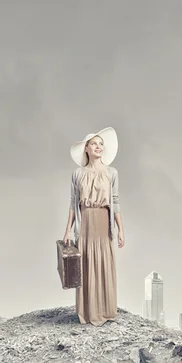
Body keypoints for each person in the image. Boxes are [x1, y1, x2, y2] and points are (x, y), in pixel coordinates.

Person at [63, 127, 125, 326]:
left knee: (104, 263)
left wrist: (120, 229)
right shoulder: (77, 174)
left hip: (103, 221)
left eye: (101, 144)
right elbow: (73, 203)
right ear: (86, 149)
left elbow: (115, 201)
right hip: (86, 223)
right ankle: (88, 312)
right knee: (86, 265)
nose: (98, 147)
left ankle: (106, 310)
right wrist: (67, 230)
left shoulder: (112, 173)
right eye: (94, 144)